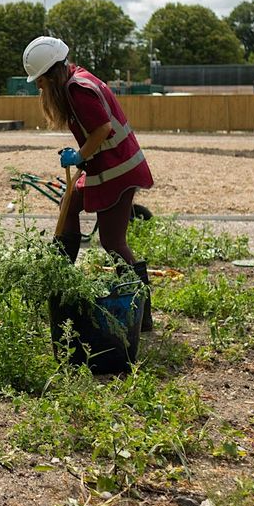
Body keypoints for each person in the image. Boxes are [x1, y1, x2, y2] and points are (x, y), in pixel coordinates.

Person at [23, 36, 155, 330]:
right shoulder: (76, 82)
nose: (38, 86)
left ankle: (141, 312)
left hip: (118, 171)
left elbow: (103, 128)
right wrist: (83, 156)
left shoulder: (78, 89)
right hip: (105, 168)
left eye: (40, 80)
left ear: (52, 74)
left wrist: (80, 155)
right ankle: (60, 280)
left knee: (113, 242)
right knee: (69, 203)